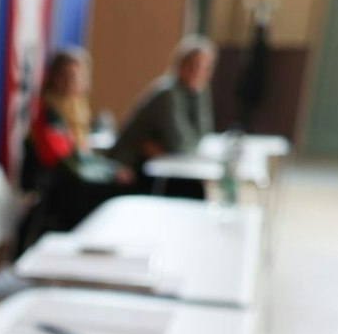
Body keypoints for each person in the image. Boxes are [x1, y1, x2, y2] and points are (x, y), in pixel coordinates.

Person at [19, 47, 130, 247]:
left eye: (75, 77)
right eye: (65, 76)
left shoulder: (77, 109)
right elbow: (67, 160)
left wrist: (111, 170)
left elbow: (83, 154)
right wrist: (111, 174)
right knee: (116, 192)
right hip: (57, 186)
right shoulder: (49, 113)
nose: (71, 83)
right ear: (54, 78)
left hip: (72, 178)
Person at [110, 36, 217, 175]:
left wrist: (197, 95)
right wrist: (170, 149)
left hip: (158, 165)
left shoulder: (198, 91)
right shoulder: (167, 94)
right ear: (181, 65)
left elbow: (204, 134)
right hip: (128, 167)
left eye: (205, 68)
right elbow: (180, 145)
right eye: (193, 65)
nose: (198, 72)